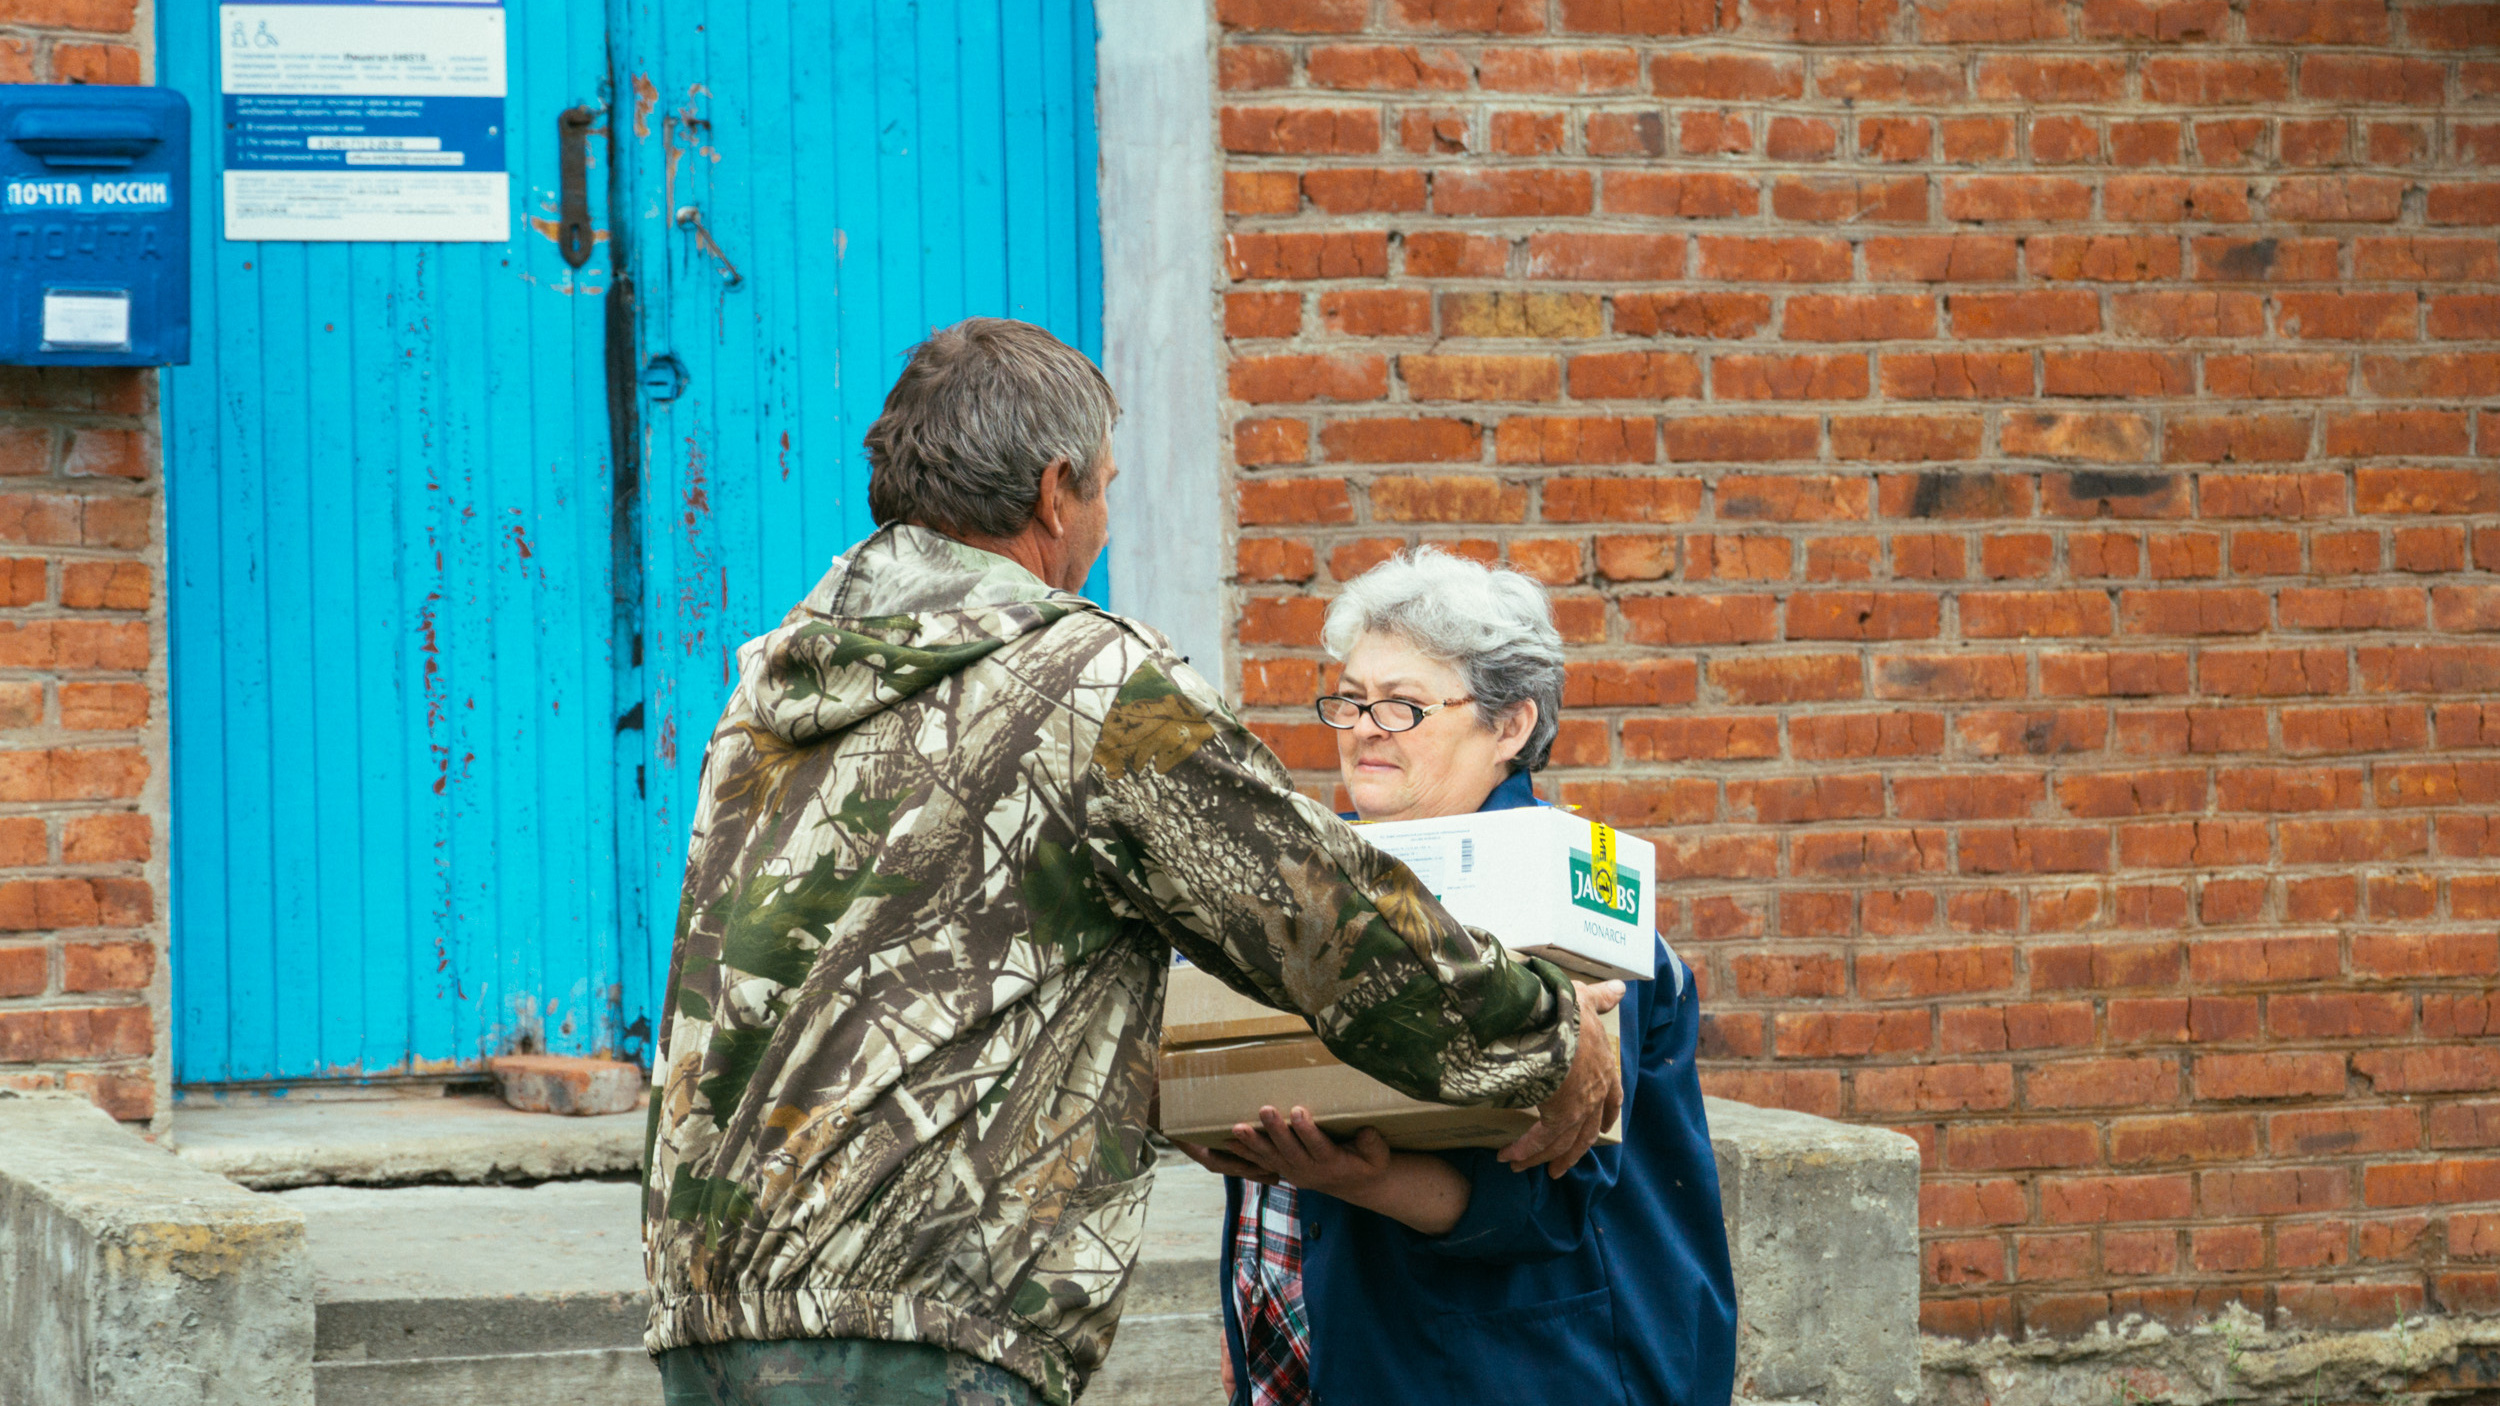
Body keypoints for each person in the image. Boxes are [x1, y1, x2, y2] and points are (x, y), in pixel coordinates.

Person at [640, 319, 1624, 1406]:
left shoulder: (770, 683)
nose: (1102, 526)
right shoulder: (1087, 680)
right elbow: (1317, 915)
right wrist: (1545, 1035)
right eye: (1103, 490)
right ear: (1054, 492)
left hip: (711, 1311)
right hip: (919, 1319)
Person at [1177, 548, 1738, 1406]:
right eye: (1352, 700)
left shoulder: (1578, 904)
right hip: (1341, 1346)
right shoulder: (1321, 878)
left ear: (1509, 727)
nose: (1365, 726)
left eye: (1402, 705)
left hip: (1519, 1369)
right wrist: (1260, 1299)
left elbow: (1541, 1203)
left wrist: (1351, 1177)